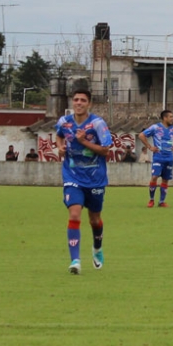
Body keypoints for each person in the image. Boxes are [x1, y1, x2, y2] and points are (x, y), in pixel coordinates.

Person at [55, 87, 112, 274]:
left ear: (89, 104)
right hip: (72, 176)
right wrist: (61, 147)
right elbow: (59, 135)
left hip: (95, 178)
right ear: (72, 102)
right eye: (76, 99)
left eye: (83, 100)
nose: (79, 103)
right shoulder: (64, 121)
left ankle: (97, 247)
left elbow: (105, 149)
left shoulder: (97, 123)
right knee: (74, 214)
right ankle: (75, 261)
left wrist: (84, 142)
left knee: (95, 220)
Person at [139, 110, 173, 208]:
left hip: (169, 158)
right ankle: (151, 200)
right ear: (165, 118)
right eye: (170, 117)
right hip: (158, 157)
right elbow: (141, 135)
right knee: (154, 177)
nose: (172, 118)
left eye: (172, 116)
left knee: (165, 180)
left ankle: (161, 201)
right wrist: (150, 147)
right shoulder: (155, 127)